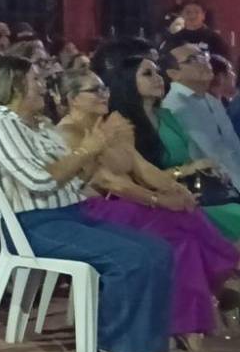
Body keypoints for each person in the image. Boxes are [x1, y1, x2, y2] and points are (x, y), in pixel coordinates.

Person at [0, 56, 173, 352]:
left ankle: (137, 345)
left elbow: (77, 178)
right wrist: (88, 148)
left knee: (157, 250)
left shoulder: (39, 125)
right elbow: (40, 180)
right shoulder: (3, 127)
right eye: (36, 80)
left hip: (71, 213)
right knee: (130, 258)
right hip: (35, 224)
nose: (44, 86)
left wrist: (100, 147)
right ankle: (111, 345)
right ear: (15, 87)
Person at [53, 64, 237, 343]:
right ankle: (218, 283)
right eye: (95, 90)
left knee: (187, 229)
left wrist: (177, 190)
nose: (104, 94)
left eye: (105, 88)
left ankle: (189, 318)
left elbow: (144, 169)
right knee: (181, 225)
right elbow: (111, 183)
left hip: (124, 204)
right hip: (94, 211)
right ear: (72, 98)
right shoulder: (69, 133)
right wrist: (159, 200)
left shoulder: (109, 127)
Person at [101, 42, 240, 241]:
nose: (158, 78)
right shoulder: (122, 124)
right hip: (154, 200)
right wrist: (186, 171)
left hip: (191, 190)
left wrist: (202, 168)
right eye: (147, 74)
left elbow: (191, 158)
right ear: (128, 81)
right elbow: (135, 179)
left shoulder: (166, 115)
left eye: (157, 72)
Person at [162, 39, 240, 183]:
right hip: (215, 189)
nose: (204, 61)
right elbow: (210, 158)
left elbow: (233, 145)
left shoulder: (211, 100)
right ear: (173, 73)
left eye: (203, 55)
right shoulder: (175, 107)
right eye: (193, 60)